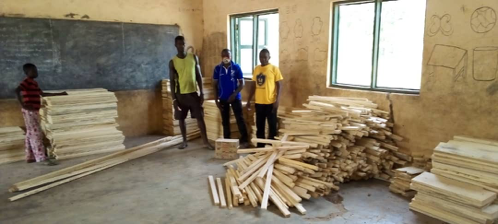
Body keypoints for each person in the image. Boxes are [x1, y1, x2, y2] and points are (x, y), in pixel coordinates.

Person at [15, 63, 67, 166]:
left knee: (30, 133)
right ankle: (41, 158)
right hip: (29, 110)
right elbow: (17, 90)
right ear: (27, 72)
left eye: (36, 70)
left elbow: (42, 94)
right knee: (36, 133)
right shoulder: (26, 82)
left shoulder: (34, 83)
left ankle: (30, 156)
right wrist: (23, 105)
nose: (36, 72)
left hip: (33, 110)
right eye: (33, 70)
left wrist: (60, 94)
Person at [169, 36, 214, 150]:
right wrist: (174, 99)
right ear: (175, 45)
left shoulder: (193, 58)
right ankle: (184, 141)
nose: (181, 46)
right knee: (181, 118)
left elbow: (198, 76)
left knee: (200, 117)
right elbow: (172, 82)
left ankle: (205, 142)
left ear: (185, 44)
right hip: (180, 95)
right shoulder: (173, 62)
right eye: (179, 44)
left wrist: (202, 93)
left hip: (193, 94)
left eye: (183, 44)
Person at [246, 49, 283, 147]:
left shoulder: (274, 69)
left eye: (265, 57)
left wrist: (277, 100)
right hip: (259, 103)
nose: (263, 59)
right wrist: (249, 100)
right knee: (260, 126)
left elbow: (279, 85)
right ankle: (260, 147)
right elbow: (253, 85)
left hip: (271, 102)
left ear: (269, 57)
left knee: (272, 126)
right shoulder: (257, 69)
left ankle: (271, 147)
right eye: (261, 57)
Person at [212, 49, 249, 148]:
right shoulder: (217, 69)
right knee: (225, 120)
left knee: (239, 119)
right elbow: (214, 85)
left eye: (228, 55)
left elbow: (242, 83)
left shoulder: (236, 67)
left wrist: (234, 94)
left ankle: (245, 140)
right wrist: (216, 100)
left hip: (235, 98)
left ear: (231, 56)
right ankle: (226, 140)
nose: (226, 57)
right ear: (221, 56)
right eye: (224, 55)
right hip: (223, 99)